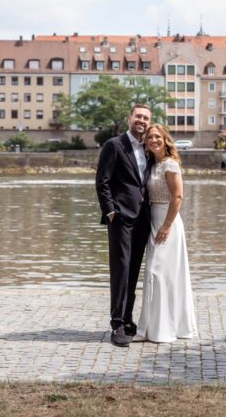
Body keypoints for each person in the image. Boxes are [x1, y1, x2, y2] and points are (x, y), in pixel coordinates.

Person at [95, 104, 152, 347]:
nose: (142, 120)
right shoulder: (114, 145)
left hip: (143, 219)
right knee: (120, 270)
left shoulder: (148, 148)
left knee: (133, 270)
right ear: (129, 118)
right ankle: (116, 323)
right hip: (120, 218)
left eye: (146, 118)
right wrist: (110, 211)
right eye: (138, 116)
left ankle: (128, 319)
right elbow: (102, 181)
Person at [134, 123, 197, 343]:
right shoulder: (152, 164)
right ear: (147, 144)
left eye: (157, 137)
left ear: (165, 139)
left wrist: (167, 225)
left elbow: (178, 197)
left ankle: (164, 330)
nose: (153, 140)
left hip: (167, 222)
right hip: (154, 220)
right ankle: (152, 328)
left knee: (158, 274)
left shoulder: (170, 164)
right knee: (157, 275)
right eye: (150, 138)